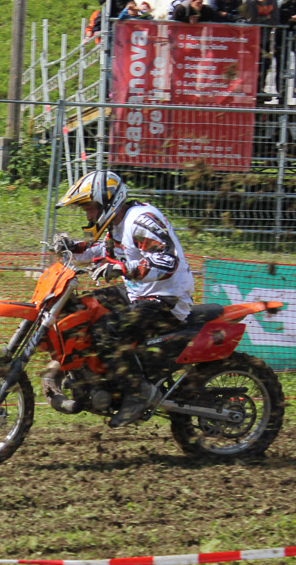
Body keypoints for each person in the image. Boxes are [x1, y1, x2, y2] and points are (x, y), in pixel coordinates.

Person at [53, 170, 195, 427]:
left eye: (90, 208)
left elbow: (167, 260)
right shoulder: (118, 224)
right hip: (138, 293)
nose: (88, 215)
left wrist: (124, 269)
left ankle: (139, 392)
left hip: (166, 299)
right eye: (86, 209)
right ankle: (91, 377)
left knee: (108, 330)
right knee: (83, 308)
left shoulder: (141, 220)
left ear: (108, 201)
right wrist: (71, 248)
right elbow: (103, 250)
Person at [244, 0, 280, 100]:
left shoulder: (273, 2)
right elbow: (251, 20)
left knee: (265, 64)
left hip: (265, 39)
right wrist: (266, 18)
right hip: (251, 40)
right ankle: (249, 91)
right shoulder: (251, 1)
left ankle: (260, 90)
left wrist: (262, 20)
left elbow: (275, 20)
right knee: (251, 65)